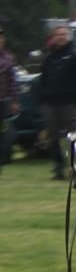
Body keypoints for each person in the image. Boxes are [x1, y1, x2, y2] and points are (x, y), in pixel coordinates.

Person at [37, 26, 76, 179]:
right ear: (54, 37)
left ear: (68, 36)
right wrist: (43, 98)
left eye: (63, 34)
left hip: (70, 103)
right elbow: (43, 79)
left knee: (75, 137)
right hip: (51, 104)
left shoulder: (75, 56)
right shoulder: (50, 57)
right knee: (53, 138)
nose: (60, 37)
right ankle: (58, 167)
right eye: (58, 35)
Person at [0, 27, 19, 171]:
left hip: (3, 101)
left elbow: (12, 81)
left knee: (6, 132)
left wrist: (14, 100)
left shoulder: (8, 58)